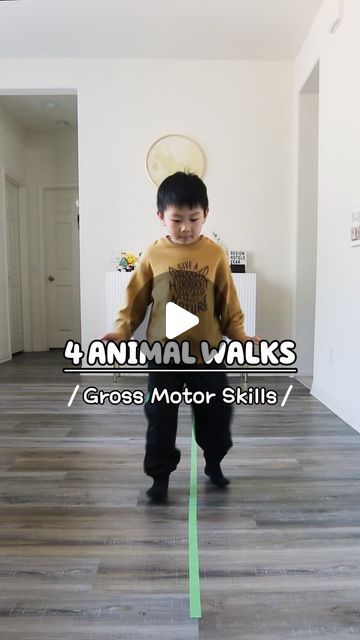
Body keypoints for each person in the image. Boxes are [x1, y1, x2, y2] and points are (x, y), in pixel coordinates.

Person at [102, 171, 260, 502]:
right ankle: (159, 477)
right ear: (161, 216)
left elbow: (228, 304)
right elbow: (134, 303)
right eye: (177, 219)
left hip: (208, 355)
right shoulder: (151, 255)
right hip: (164, 357)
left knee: (217, 416)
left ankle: (214, 463)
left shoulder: (215, 255)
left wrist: (241, 336)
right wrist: (121, 331)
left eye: (194, 218)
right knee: (160, 418)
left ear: (205, 215)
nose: (186, 227)